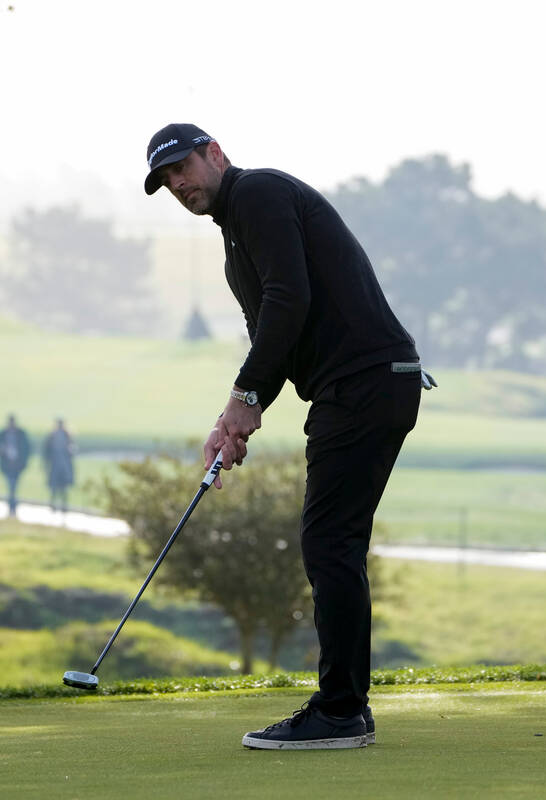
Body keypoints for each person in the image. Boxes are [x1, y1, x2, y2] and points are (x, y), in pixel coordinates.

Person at [144, 123, 436, 750]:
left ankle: (340, 711)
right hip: (361, 386)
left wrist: (244, 399)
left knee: (328, 540)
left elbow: (289, 300)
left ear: (215, 153)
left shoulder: (259, 195)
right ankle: (346, 708)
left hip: (363, 383)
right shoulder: (236, 240)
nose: (178, 184)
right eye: (167, 180)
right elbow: (274, 339)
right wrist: (235, 422)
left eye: (184, 167)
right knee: (335, 542)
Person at [0, 414, 31, 516]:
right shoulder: (2, 434)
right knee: (11, 485)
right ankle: (12, 504)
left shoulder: (21, 434)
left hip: (17, 466)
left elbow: (27, 449)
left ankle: (12, 504)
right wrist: (1, 449)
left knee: (13, 485)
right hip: (7, 465)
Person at [42, 418, 75, 513]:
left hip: (64, 466)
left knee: (64, 488)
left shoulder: (67, 435)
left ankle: (64, 506)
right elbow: (46, 451)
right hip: (54, 465)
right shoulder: (52, 436)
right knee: (54, 487)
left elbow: (72, 451)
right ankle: (53, 505)